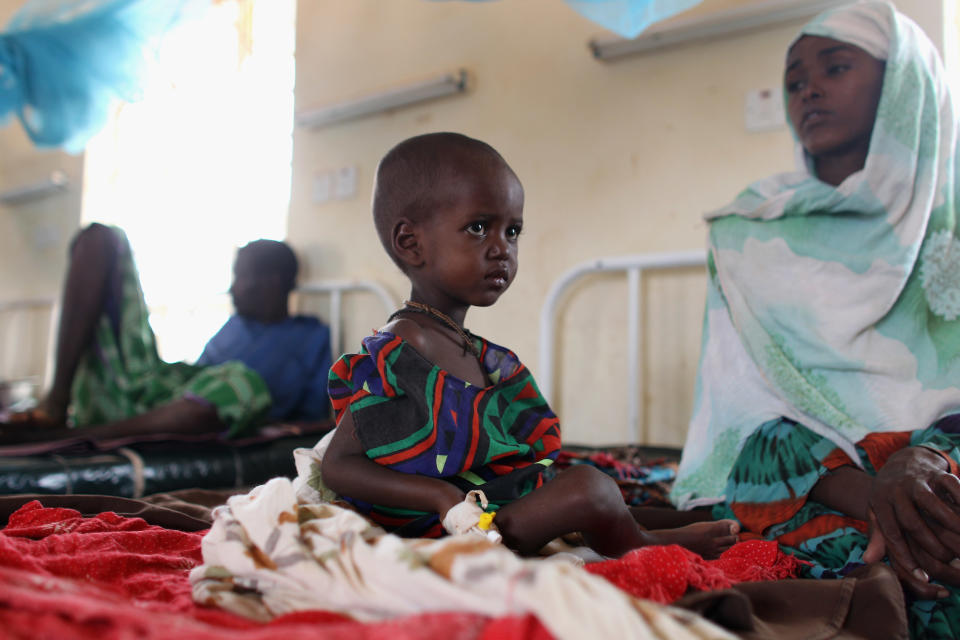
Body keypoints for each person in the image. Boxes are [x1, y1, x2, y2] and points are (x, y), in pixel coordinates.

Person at [671, 2, 960, 635]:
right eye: (796, 80)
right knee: (758, 458)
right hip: (819, 475)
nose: (809, 90)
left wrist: (928, 462)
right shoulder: (751, 230)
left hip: (948, 465)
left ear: (903, 88)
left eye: (835, 67)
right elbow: (739, 413)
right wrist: (881, 489)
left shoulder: (954, 219)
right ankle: (903, 520)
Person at [320, 132, 739, 558]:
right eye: (479, 228)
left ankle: (670, 523)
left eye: (513, 231)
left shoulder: (471, 348)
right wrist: (439, 498)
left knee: (598, 494)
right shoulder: (404, 346)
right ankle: (643, 545)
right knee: (588, 487)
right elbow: (340, 465)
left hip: (495, 509)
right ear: (411, 243)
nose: (502, 249)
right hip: (453, 530)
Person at [1, 224, 331, 443]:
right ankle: (57, 401)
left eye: (240, 276)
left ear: (272, 282)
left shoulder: (309, 335)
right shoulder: (234, 327)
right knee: (100, 239)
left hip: (229, 406)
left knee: (241, 382)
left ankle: (81, 434)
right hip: (153, 395)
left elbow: (310, 417)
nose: (232, 289)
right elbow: (196, 380)